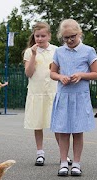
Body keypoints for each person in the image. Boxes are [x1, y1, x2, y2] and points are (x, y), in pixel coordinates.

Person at [50, 19, 97, 176]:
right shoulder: (59, 51)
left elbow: (96, 74)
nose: (70, 40)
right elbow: (52, 72)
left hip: (80, 96)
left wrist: (81, 75)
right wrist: (60, 77)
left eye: (72, 36)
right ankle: (64, 162)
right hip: (64, 95)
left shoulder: (88, 51)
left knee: (78, 131)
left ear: (80, 34)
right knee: (63, 131)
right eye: (66, 38)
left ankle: (77, 163)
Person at [23, 22, 72, 166]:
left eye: (43, 36)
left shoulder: (57, 50)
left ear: (49, 36)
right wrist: (33, 55)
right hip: (36, 92)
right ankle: (40, 153)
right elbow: (29, 73)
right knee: (38, 123)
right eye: (37, 36)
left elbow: (61, 69)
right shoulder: (29, 51)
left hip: (53, 91)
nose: (39, 38)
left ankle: (64, 155)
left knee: (57, 124)